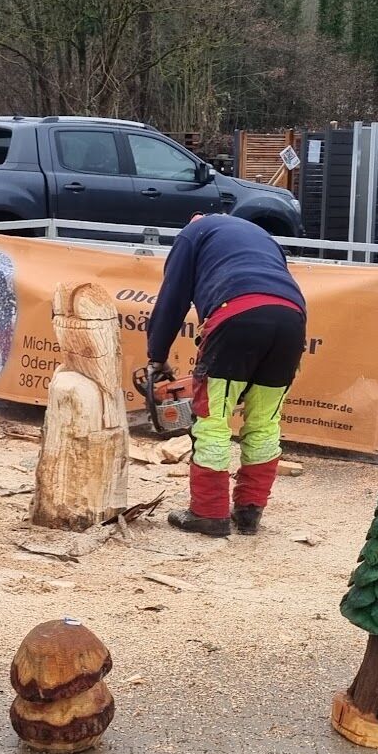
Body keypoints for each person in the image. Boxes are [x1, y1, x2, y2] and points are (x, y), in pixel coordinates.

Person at [145, 213, 307, 537]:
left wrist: (157, 356)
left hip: (236, 314)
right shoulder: (259, 235)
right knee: (265, 421)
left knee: (214, 419)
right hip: (292, 321)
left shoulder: (192, 234)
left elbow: (173, 299)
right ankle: (249, 512)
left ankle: (208, 513)